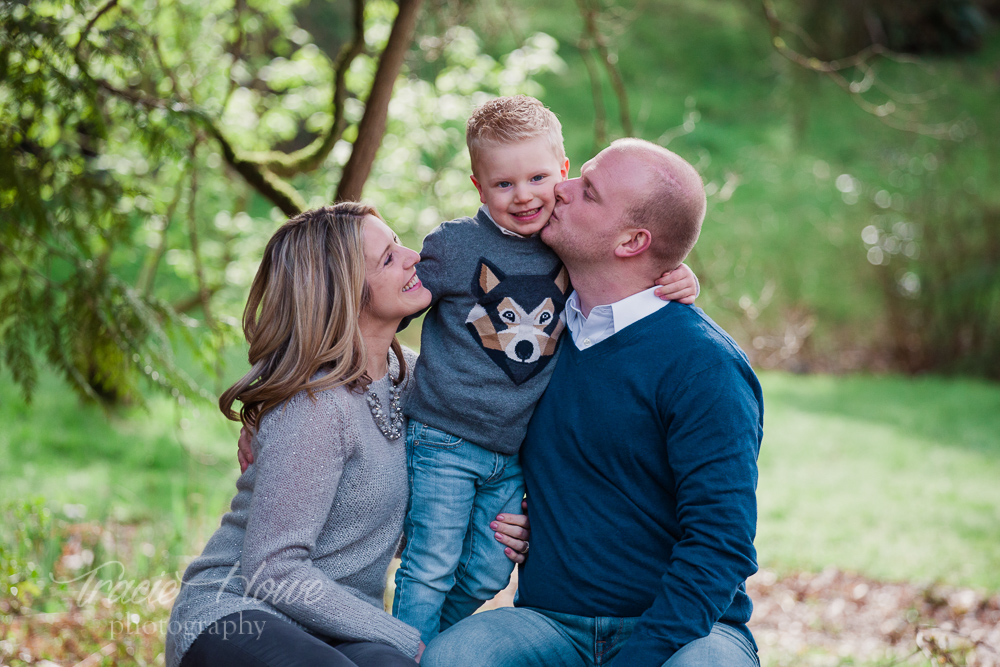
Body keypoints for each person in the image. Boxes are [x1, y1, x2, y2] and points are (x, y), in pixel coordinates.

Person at [422, 139, 764, 667]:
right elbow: (433, 381)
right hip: (551, 623)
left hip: (686, 633)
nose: (558, 189)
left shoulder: (704, 365)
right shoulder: (539, 337)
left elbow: (722, 544)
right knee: (454, 659)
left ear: (631, 240)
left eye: (588, 191)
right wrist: (283, 400)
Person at [390, 95, 701, 645]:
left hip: (509, 452)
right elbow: (381, 309)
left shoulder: (567, 246)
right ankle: (400, 654)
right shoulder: (456, 246)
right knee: (431, 561)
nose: (524, 195)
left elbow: (631, 263)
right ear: (478, 186)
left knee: (490, 568)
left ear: (561, 172)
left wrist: (679, 277)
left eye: (537, 177)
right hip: (444, 438)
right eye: (503, 184)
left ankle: (435, 643)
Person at [164, 203, 529, 667]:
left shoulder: (421, 381)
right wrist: (396, 633)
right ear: (343, 293)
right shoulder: (315, 406)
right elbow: (273, 570)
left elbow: (408, 520)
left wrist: (501, 524)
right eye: (387, 258)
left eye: (398, 243)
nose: (414, 256)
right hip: (236, 613)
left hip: (337, 627)